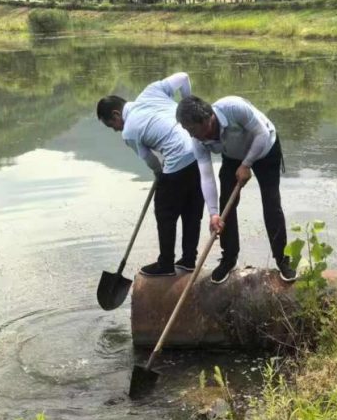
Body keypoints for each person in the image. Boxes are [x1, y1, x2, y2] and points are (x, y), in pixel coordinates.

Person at [176, 94, 296, 284]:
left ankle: (282, 259)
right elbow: (206, 175)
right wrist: (213, 214)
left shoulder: (233, 108)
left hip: (265, 147)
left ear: (207, 120)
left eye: (192, 129)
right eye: (186, 130)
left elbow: (261, 134)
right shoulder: (198, 141)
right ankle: (229, 258)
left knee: (271, 203)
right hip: (233, 155)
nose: (191, 135)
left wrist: (247, 164)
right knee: (226, 206)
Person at [96, 73, 204, 277]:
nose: (115, 131)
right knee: (192, 210)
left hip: (177, 159)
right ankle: (189, 260)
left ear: (117, 115)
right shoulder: (151, 91)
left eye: (112, 126)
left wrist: (160, 174)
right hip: (198, 151)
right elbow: (184, 77)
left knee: (165, 212)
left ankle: (166, 265)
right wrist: (189, 105)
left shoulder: (129, 131)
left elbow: (151, 160)